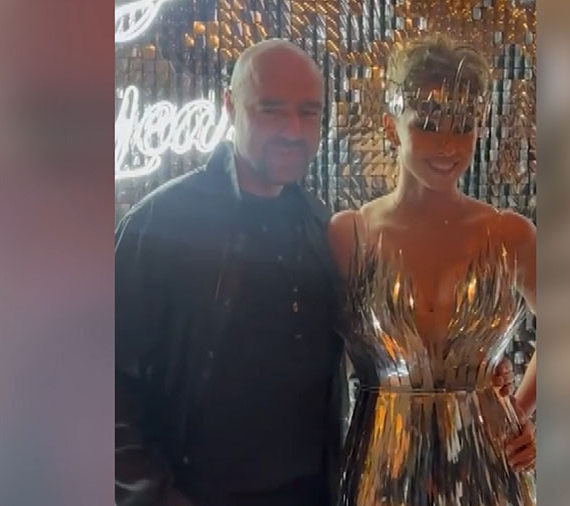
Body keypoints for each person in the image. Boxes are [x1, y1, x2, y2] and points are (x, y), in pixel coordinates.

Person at [115, 38, 517, 506]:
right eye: (271, 110)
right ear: (230, 106)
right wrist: (155, 496)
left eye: (308, 112)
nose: (292, 129)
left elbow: (376, 345)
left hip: (315, 492)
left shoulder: (321, 226)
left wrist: (477, 369)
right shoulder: (162, 224)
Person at [328, 34, 537, 504]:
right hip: (381, 466)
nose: (447, 144)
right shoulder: (349, 235)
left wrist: (520, 411)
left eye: (462, 126)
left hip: (488, 468)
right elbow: (313, 361)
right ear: (391, 128)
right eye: (426, 124)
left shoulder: (510, 235)